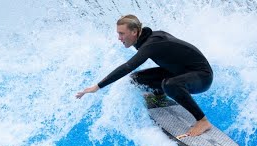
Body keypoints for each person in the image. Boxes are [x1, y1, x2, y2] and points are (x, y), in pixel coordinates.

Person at [76, 15, 213, 136]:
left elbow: (127, 67)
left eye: (122, 34)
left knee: (170, 84)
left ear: (134, 32)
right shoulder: (149, 39)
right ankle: (159, 97)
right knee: (137, 79)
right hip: (181, 71)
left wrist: (97, 86)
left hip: (202, 77)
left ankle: (202, 121)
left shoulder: (152, 43)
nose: (119, 38)